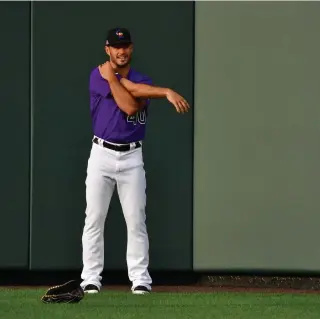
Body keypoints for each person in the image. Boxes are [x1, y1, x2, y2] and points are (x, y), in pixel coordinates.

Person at [80, 27, 190, 295]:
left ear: (132, 48)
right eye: (117, 46)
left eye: (126, 45)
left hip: (131, 156)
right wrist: (163, 92)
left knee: (136, 219)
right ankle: (90, 278)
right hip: (102, 154)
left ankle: (140, 278)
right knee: (94, 218)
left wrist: (159, 90)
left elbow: (130, 104)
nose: (122, 50)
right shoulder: (97, 75)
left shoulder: (142, 80)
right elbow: (128, 99)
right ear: (108, 49)